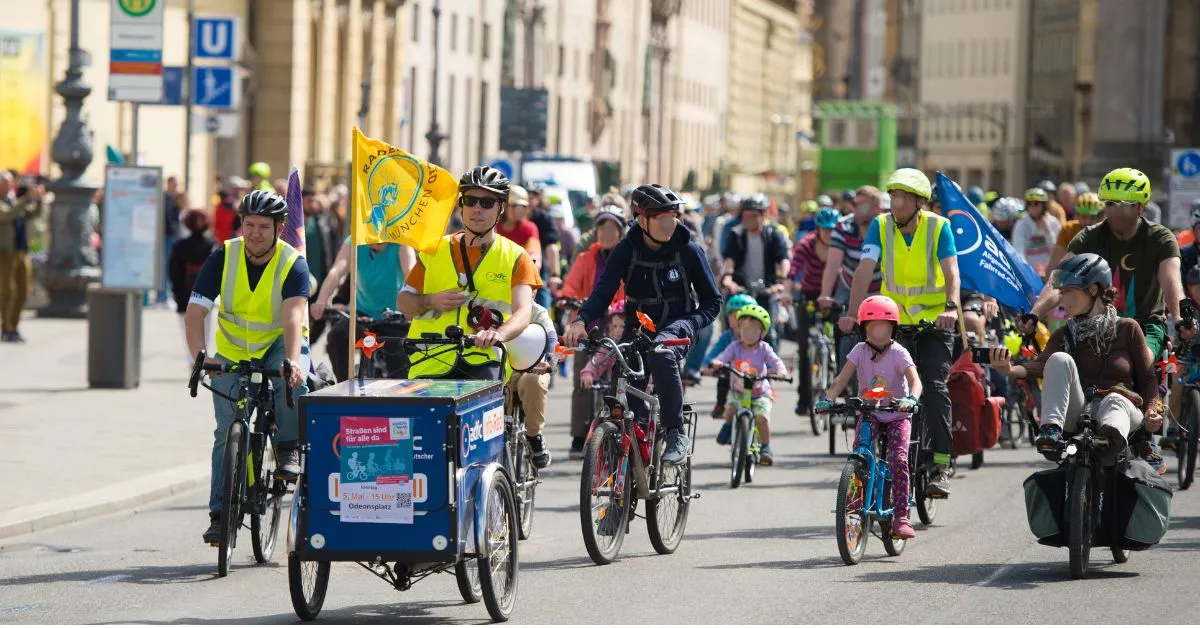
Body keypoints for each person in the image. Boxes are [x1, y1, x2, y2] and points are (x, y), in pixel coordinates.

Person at [184, 190, 311, 545]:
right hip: (231, 350)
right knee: (226, 430)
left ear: (279, 228)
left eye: (263, 227)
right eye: (249, 225)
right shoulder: (223, 255)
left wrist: (291, 361)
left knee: (292, 381)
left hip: (276, 344)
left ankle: (288, 447)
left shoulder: (292, 262)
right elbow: (196, 312)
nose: (254, 233)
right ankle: (220, 514)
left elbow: (292, 317)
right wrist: (200, 356)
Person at [563, 183, 723, 465]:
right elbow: (602, 292)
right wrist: (581, 321)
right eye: (662, 218)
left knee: (661, 354)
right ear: (641, 219)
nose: (670, 224)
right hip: (636, 329)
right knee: (622, 393)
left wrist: (690, 325)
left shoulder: (689, 251)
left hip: (678, 326)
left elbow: (712, 302)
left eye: (673, 216)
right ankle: (623, 470)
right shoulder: (625, 250)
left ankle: (675, 432)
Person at [842, 168, 960, 498]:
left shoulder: (940, 227)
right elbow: (864, 270)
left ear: (920, 202)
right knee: (877, 388)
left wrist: (950, 307)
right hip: (891, 324)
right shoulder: (880, 226)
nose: (896, 203)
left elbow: (952, 272)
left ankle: (940, 463)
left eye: (903, 197)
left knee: (934, 387)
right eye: (893, 196)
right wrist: (853, 314)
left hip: (935, 324)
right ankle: (871, 454)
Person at [990, 254, 1159, 464]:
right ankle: (1050, 431)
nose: (1063, 300)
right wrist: (1008, 370)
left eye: (1069, 292)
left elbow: (1148, 378)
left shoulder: (1127, 328)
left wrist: (1152, 412)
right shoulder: (1063, 334)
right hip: (1080, 415)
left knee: (1115, 400)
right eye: (1061, 293)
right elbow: (1041, 365)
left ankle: (1110, 444)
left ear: (1093, 290)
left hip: (1121, 413)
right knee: (1059, 358)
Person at [1027, 168, 1184, 365]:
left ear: (1141, 208)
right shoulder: (1088, 237)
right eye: (1110, 204)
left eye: (1125, 205)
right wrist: (1034, 314)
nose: (1116, 211)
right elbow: (1058, 282)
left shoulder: (1161, 238)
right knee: (1062, 364)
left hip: (1147, 327)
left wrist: (1180, 318)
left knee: (1136, 363)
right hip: (1096, 325)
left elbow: (1172, 283)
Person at [397, 166, 542, 381]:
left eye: (486, 203)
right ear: (461, 206)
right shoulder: (434, 250)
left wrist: (497, 334)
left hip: (483, 360)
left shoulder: (516, 256)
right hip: (430, 359)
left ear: (500, 208)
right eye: (471, 200)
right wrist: (430, 300)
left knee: (484, 406)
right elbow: (403, 302)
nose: (477, 209)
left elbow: (523, 312)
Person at [819, 294, 921, 539]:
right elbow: (841, 379)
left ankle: (901, 516)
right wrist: (829, 398)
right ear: (864, 327)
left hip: (897, 414)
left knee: (898, 459)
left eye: (883, 326)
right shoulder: (859, 350)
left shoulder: (899, 353)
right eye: (873, 325)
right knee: (861, 454)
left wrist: (911, 400)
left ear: (893, 327)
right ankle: (855, 503)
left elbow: (915, 382)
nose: (878, 331)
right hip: (869, 412)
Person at [562, 206, 627, 459]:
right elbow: (570, 285)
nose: (607, 233)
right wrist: (566, 298)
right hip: (588, 326)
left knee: (619, 379)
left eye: (612, 228)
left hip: (619, 326)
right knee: (583, 377)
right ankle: (579, 436)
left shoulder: (626, 257)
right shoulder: (585, 258)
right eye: (602, 228)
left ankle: (618, 431)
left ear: (621, 232)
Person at [310, 236, 415, 381]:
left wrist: (413, 306)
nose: (375, 244)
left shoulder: (401, 243)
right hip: (361, 316)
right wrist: (321, 301)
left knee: (399, 368)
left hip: (394, 317)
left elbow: (411, 274)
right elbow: (337, 271)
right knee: (337, 336)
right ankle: (346, 385)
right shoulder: (355, 240)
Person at [709, 304, 789, 464]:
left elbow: (776, 361)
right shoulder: (735, 347)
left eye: (753, 330)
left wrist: (781, 371)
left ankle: (765, 447)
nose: (748, 334)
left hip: (760, 393)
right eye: (745, 330)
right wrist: (717, 362)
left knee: (761, 418)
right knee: (730, 410)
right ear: (739, 330)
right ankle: (728, 426)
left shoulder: (764, 348)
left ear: (761, 332)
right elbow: (724, 357)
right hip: (739, 391)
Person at [817, 186, 884, 371]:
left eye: (864, 206)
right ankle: (842, 373)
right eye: (856, 205)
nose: (857, 210)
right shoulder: (843, 226)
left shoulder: (886, 227)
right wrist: (825, 294)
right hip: (848, 285)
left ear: (877, 209)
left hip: (880, 288)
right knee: (843, 322)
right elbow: (833, 265)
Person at [719, 194, 791, 349]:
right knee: (732, 332)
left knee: (769, 332)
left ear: (764, 215)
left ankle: (772, 370)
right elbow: (729, 260)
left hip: (767, 289)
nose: (749, 220)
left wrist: (781, 282)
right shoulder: (736, 234)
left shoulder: (773, 233)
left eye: (754, 216)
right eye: (745, 216)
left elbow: (783, 259)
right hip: (741, 290)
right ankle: (726, 366)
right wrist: (728, 279)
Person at [788, 206, 838, 413]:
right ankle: (804, 399)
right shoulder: (807, 244)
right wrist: (786, 292)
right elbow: (793, 270)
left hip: (834, 297)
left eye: (833, 229)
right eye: (825, 229)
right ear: (817, 229)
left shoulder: (839, 245)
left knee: (844, 341)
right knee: (804, 347)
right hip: (808, 296)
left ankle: (842, 392)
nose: (829, 233)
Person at [504, 302, 557, 468]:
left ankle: (534, 436)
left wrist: (549, 361)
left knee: (532, 382)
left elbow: (551, 339)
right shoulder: (499, 303)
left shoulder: (538, 312)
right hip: (503, 370)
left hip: (532, 369)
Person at [0, 172, 46, 343]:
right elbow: (6, 215)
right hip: (6, 253)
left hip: (21, 251)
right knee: (7, 292)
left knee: (23, 291)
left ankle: (15, 326)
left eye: (11, 182)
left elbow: (32, 213)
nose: (11, 185)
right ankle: (7, 328)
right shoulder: (6, 203)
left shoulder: (13, 201)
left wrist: (39, 199)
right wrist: (26, 198)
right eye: (7, 182)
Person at [169, 210, 218, 362]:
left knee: (188, 329)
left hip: (184, 296)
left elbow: (173, 273)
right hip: (206, 297)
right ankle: (203, 356)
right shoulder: (212, 245)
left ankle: (193, 359)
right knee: (206, 329)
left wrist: (176, 293)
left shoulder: (180, 246)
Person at [703, 293, 756, 418]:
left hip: (753, 377)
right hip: (732, 374)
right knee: (723, 377)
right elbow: (713, 354)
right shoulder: (727, 336)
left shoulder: (759, 341)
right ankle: (720, 405)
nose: (738, 319)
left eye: (743, 315)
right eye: (734, 315)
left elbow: (769, 357)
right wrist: (708, 365)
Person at [1047, 191, 1103, 273]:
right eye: (1084, 217)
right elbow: (1054, 263)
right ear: (1077, 215)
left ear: (1100, 217)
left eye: (1092, 217)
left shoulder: (1108, 231)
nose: (1087, 222)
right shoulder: (1068, 229)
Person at [1012, 187, 1062, 276]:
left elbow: (1057, 251)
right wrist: (1027, 271)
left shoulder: (1054, 223)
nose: (1033, 207)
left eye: (1036, 204)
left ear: (1044, 206)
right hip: (1030, 273)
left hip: (1050, 272)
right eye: (1030, 204)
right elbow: (1019, 250)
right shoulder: (1021, 224)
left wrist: (1048, 231)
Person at [497, 184, 543, 269]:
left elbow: (534, 255)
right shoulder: (493, 227)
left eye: (523, 207)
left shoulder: (529, 228)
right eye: (514, 206)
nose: (518, 210)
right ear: (505, 206)